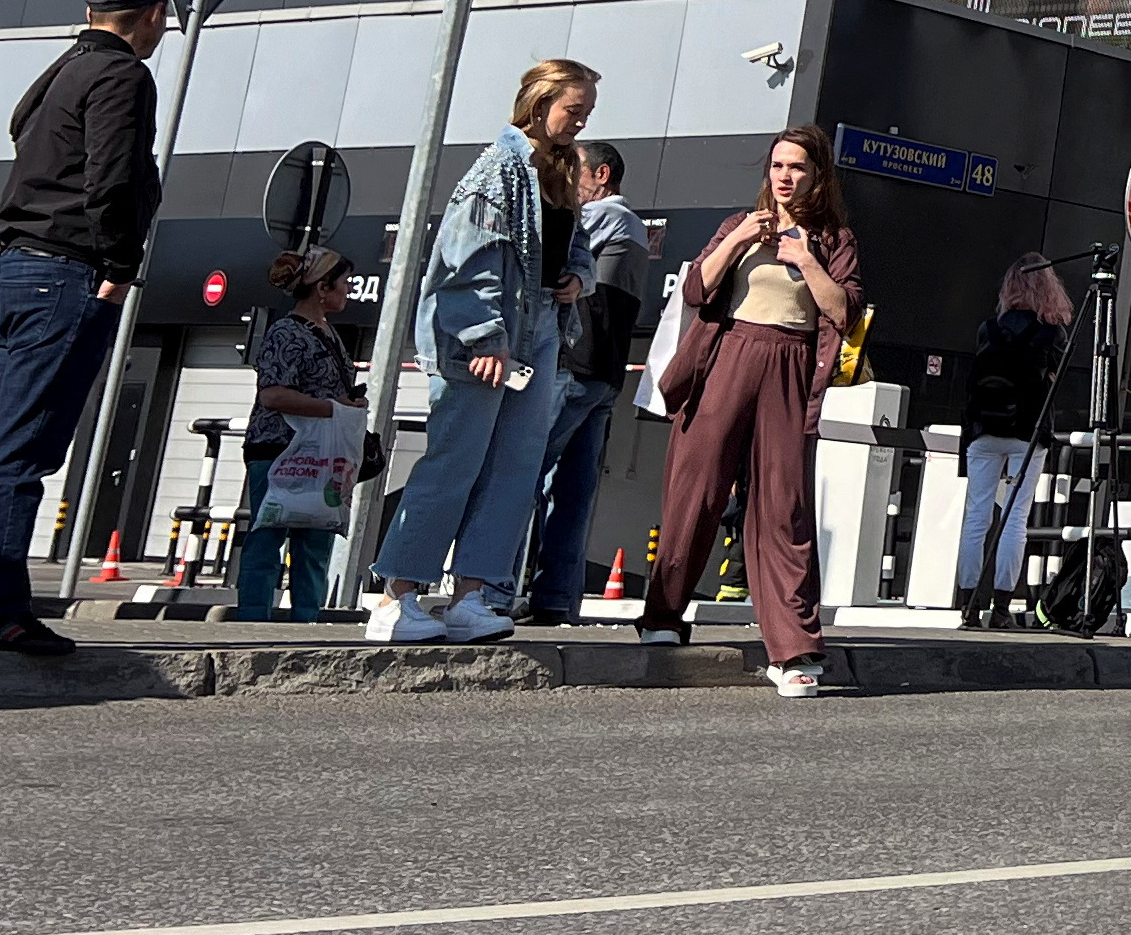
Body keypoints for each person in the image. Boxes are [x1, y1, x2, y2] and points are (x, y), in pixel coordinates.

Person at [0, 0, 173, 657]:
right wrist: (120, 267)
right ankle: (0, 611)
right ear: (153, 14)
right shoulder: (123, 76)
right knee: (25, 448)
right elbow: (112, 175)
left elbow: (23, 137)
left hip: (15, 268)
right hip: (64, 270)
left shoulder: (60, 69)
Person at [368, 58, 595, 643]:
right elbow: (467, 259)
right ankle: (398, 596)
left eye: (585, 112)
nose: (579, 121)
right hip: (489, 336)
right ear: (540, 103)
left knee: (515, 469)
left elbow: (576, 246)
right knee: (456, 461)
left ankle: (473, 595)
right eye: (574, 110)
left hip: (540, 327)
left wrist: (576, 277)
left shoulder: (562, 170)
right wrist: (483, 337)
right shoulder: (496, 170)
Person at [640, 127, 862, 697]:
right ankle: (662, 617)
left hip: (789, 365)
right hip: (727, 357)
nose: (785, 177)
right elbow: (695, 291)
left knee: (782, 504)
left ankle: (793, 652)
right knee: (696, 491)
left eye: (798, 168)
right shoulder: (739, 225)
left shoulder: (834, 238)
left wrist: (807, 261)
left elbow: (842, 311)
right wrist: (738, 237)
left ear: (818, 176)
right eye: (778, 166)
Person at [518, 141, 651, 623]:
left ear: (601, 174)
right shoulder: (632, 228)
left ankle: (494, 588)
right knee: (573, 489)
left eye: (573, 174)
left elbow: (546, 247)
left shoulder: (607, 218)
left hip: (572, 366)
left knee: (523, 470)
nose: (566, 184)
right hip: (603, 374)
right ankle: (555, 597)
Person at [233, 247, 358, 622]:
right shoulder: (286, 332)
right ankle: (253, 621)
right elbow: (272, 394)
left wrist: (347, 404)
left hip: (318, 452)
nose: (348, 289)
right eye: (343, 283)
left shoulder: (330, 335)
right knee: (268, 535)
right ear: (323, 287)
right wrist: (334, 408)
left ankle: (307, 620)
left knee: (315, 539)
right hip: (278, 450)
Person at [953, 253, 1069, 627]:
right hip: (1028, 433)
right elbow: (1055, 383)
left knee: (976, 518)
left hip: (984, 431)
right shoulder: (1052, 333)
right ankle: (1001, 608)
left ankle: (969, 606)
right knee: (1014, 520)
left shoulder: (988, 329)